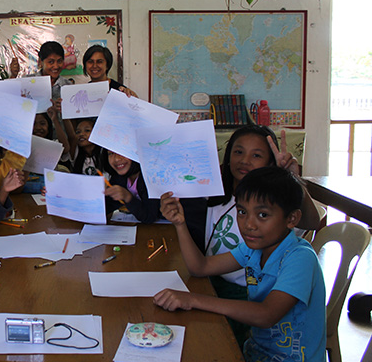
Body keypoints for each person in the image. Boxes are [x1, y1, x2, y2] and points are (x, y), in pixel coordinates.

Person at [159, 124, 321, 346]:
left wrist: (193, 299)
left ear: (291, 219)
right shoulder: (252, 248)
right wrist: (180, 224)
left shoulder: (299, 256)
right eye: (242, 212)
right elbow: (200, 267)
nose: (249, 224)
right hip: (256, 350)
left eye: (262, 214)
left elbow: (266, 315)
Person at [103, 150, 160, 223]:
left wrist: (127, 197)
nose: (117, 159)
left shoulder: (150, 177)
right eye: (111, 153)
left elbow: (150, 217)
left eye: (122, 152)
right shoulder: (119, 178)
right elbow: (109, 206)